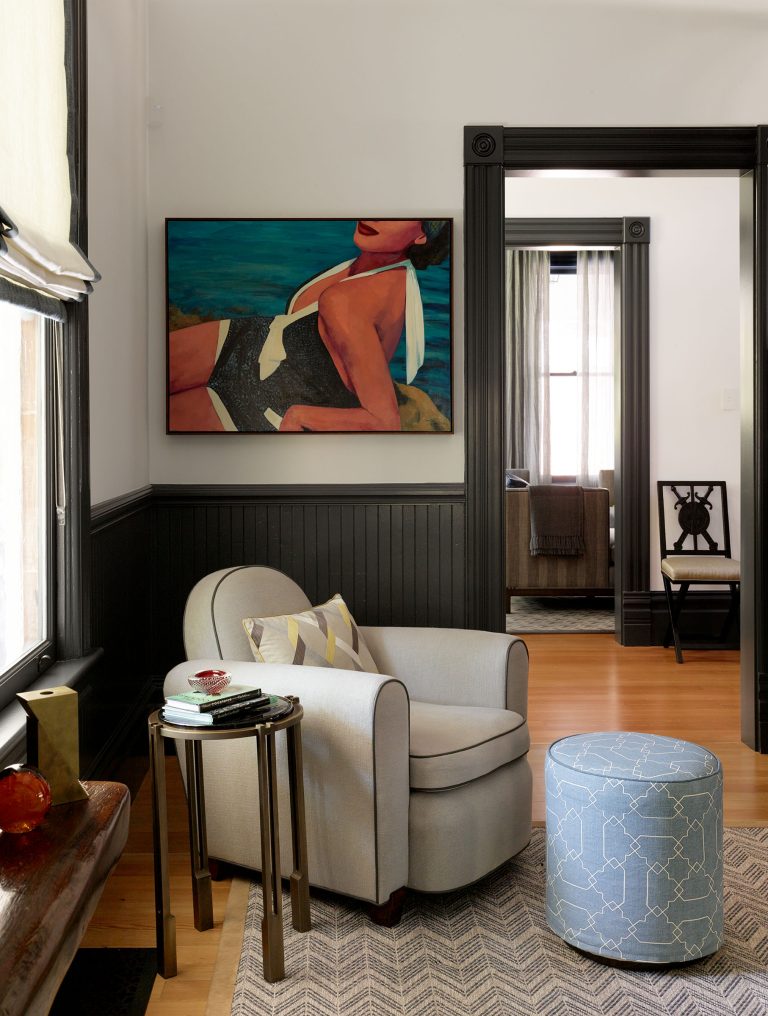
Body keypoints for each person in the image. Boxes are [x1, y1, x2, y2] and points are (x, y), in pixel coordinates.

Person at [168, 219, 449, 432]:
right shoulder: (387, 269)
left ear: (422, 234)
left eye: (395, 216)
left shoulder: (351, 302)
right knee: (148, 374)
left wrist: (300, 416)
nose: (374, 217)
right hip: (252, 340)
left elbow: (385, 420)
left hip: (266, 399)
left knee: (154, 415)